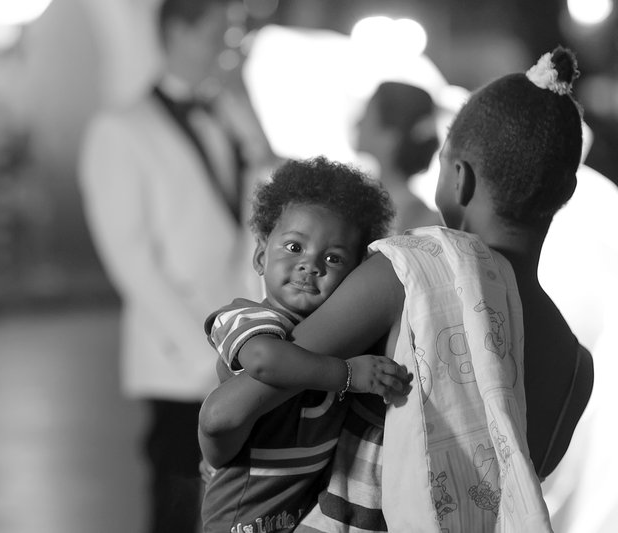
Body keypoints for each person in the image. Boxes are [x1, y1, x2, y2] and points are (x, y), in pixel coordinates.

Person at [199, 46, 594, 531]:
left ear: (459, 178)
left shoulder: (407, 273)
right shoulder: (577, 367)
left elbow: (224, 413)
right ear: (566, 193)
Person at [78, 0, 271, 530]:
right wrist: (200, 352)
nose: (230, 49)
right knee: (181, 503)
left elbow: (259, 207)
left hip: (242, 342)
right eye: (218, 35)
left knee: (240, 506)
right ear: (180, 33)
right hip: (180, 359)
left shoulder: (230, 113)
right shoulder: (119, 129)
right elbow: (130, 259)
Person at [199, 156, 411, 532]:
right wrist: (348, 375)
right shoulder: (246, 317)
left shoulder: (344, 336)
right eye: (295, 247)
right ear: (261, 256)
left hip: (298, 511)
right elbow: (264, 359)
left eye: (333, 258)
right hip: (242, 514)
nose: (310, 265)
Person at [354, 81, 442, 233]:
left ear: (391, 136)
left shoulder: (409, 217)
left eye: (367, 116)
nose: (358, 123)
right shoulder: (366, 197)